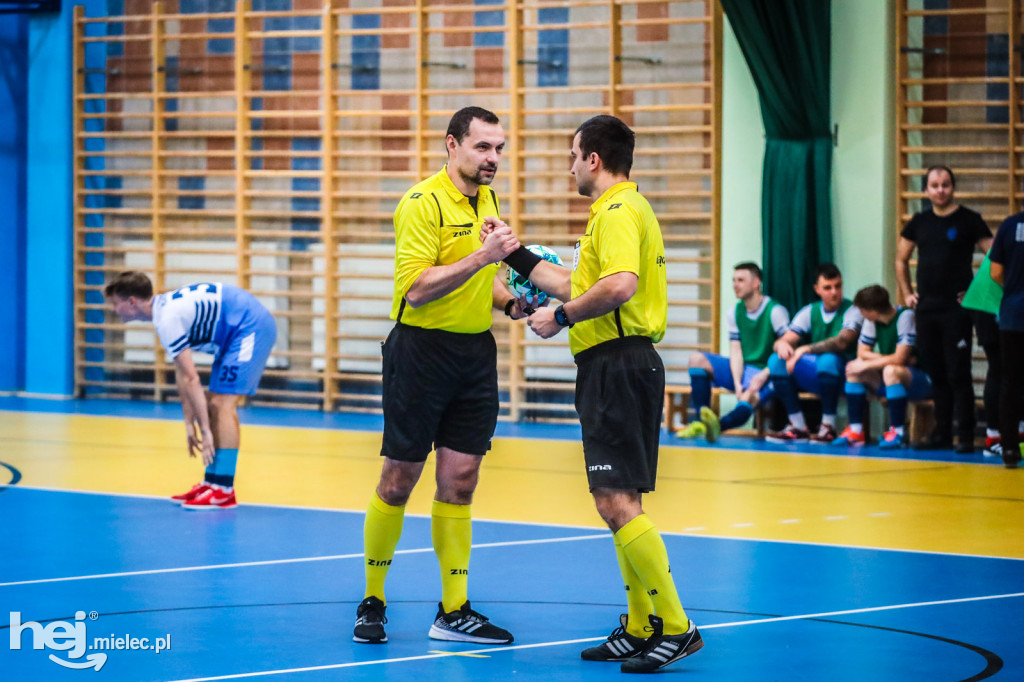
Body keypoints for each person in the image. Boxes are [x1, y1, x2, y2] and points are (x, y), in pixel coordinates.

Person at [515, 114, 703, 673]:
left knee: (616, 502)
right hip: (611, 365)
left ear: (593, 159)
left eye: (573, 155)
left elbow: (618, 287)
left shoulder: (619, 211)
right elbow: (573, 280)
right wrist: (513, 252)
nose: (570, 165)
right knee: (616, 501)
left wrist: (562, 318)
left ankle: (676, 625)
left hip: (619, 365)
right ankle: (642, 624)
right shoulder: (613, 213)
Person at [353, 107, 527, 647]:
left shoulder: (488, 199)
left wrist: (513, 302)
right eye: (482, 147)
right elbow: (417, 288)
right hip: (420, 353)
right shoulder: (421, 202)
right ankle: (373, 599)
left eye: (499, 148)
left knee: (460, 480)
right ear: (452, 145)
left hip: (474, 355)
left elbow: (483, 285)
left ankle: (454, 611)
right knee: (399, 479)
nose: (493, 158)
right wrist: (483, 257)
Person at [104, 271, 277, 510]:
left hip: (249, 327)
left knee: (222, 405)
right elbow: (182, 374)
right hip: (234, 332)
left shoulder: (167, 319)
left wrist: (205, 431)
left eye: (115, 303)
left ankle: (224, 489)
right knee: (215, 403)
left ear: (132, 301)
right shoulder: (163, 313)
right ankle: (212, 482)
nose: (114, 309)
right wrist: (189, 423)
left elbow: (192, 378)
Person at [895, 165, 992, 453]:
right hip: (926, 310)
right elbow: (901, 259)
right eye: (935, 185)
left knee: (958, 373)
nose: (940, 190)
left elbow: (996, 255)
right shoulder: (919, 222)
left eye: (946, 184)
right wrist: (907, 294)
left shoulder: (969, 220)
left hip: (957, 311)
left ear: (953, 187)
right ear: (926, 189)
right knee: (936, 373)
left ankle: (964, 435)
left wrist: (976, 292)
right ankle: (942, 434)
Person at [676, 263, 789, 442]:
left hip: (766, 371)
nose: (735, 285)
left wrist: (764, 375)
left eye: (741, 280)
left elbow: (787, 352)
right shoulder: (734, 312)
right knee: (696, 359)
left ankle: (715, 427)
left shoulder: (775, 311)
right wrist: (737, 383)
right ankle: (700, 419)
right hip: (743, 368)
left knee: (748, 396)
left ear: (756, 283)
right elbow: (736, 351)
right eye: (734, 280)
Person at [765, 263, 863, 444]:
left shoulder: (853, 310)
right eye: (828, 287)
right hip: (820, 376)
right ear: (817, 289)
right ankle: (798, 426)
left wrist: (805, 348)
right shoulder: (810, 311)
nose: (834, 292)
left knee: (828, 360)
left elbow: (842, 341)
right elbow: (785, 339)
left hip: (846, 377)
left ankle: (828, 426)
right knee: (776, 361)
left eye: (838, 286)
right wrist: (781, 345)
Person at [833, 285, 932, 449]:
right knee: (854, 369)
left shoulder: (905, 316)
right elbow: (862, 352)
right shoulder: (872, 321)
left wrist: (875, 362)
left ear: (872, 311)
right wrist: (886, 359)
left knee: (890, 370)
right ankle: (856, 430)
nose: (860, 314)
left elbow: (900, 358)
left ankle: (898, 432)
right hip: (894, 375)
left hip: (921, 379)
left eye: (862, 310)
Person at [988, 211, 1024, 468]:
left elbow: (995, 272)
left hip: (1013, 315)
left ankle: (1009, 447)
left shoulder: (1009, 225)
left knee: (1010, 383)